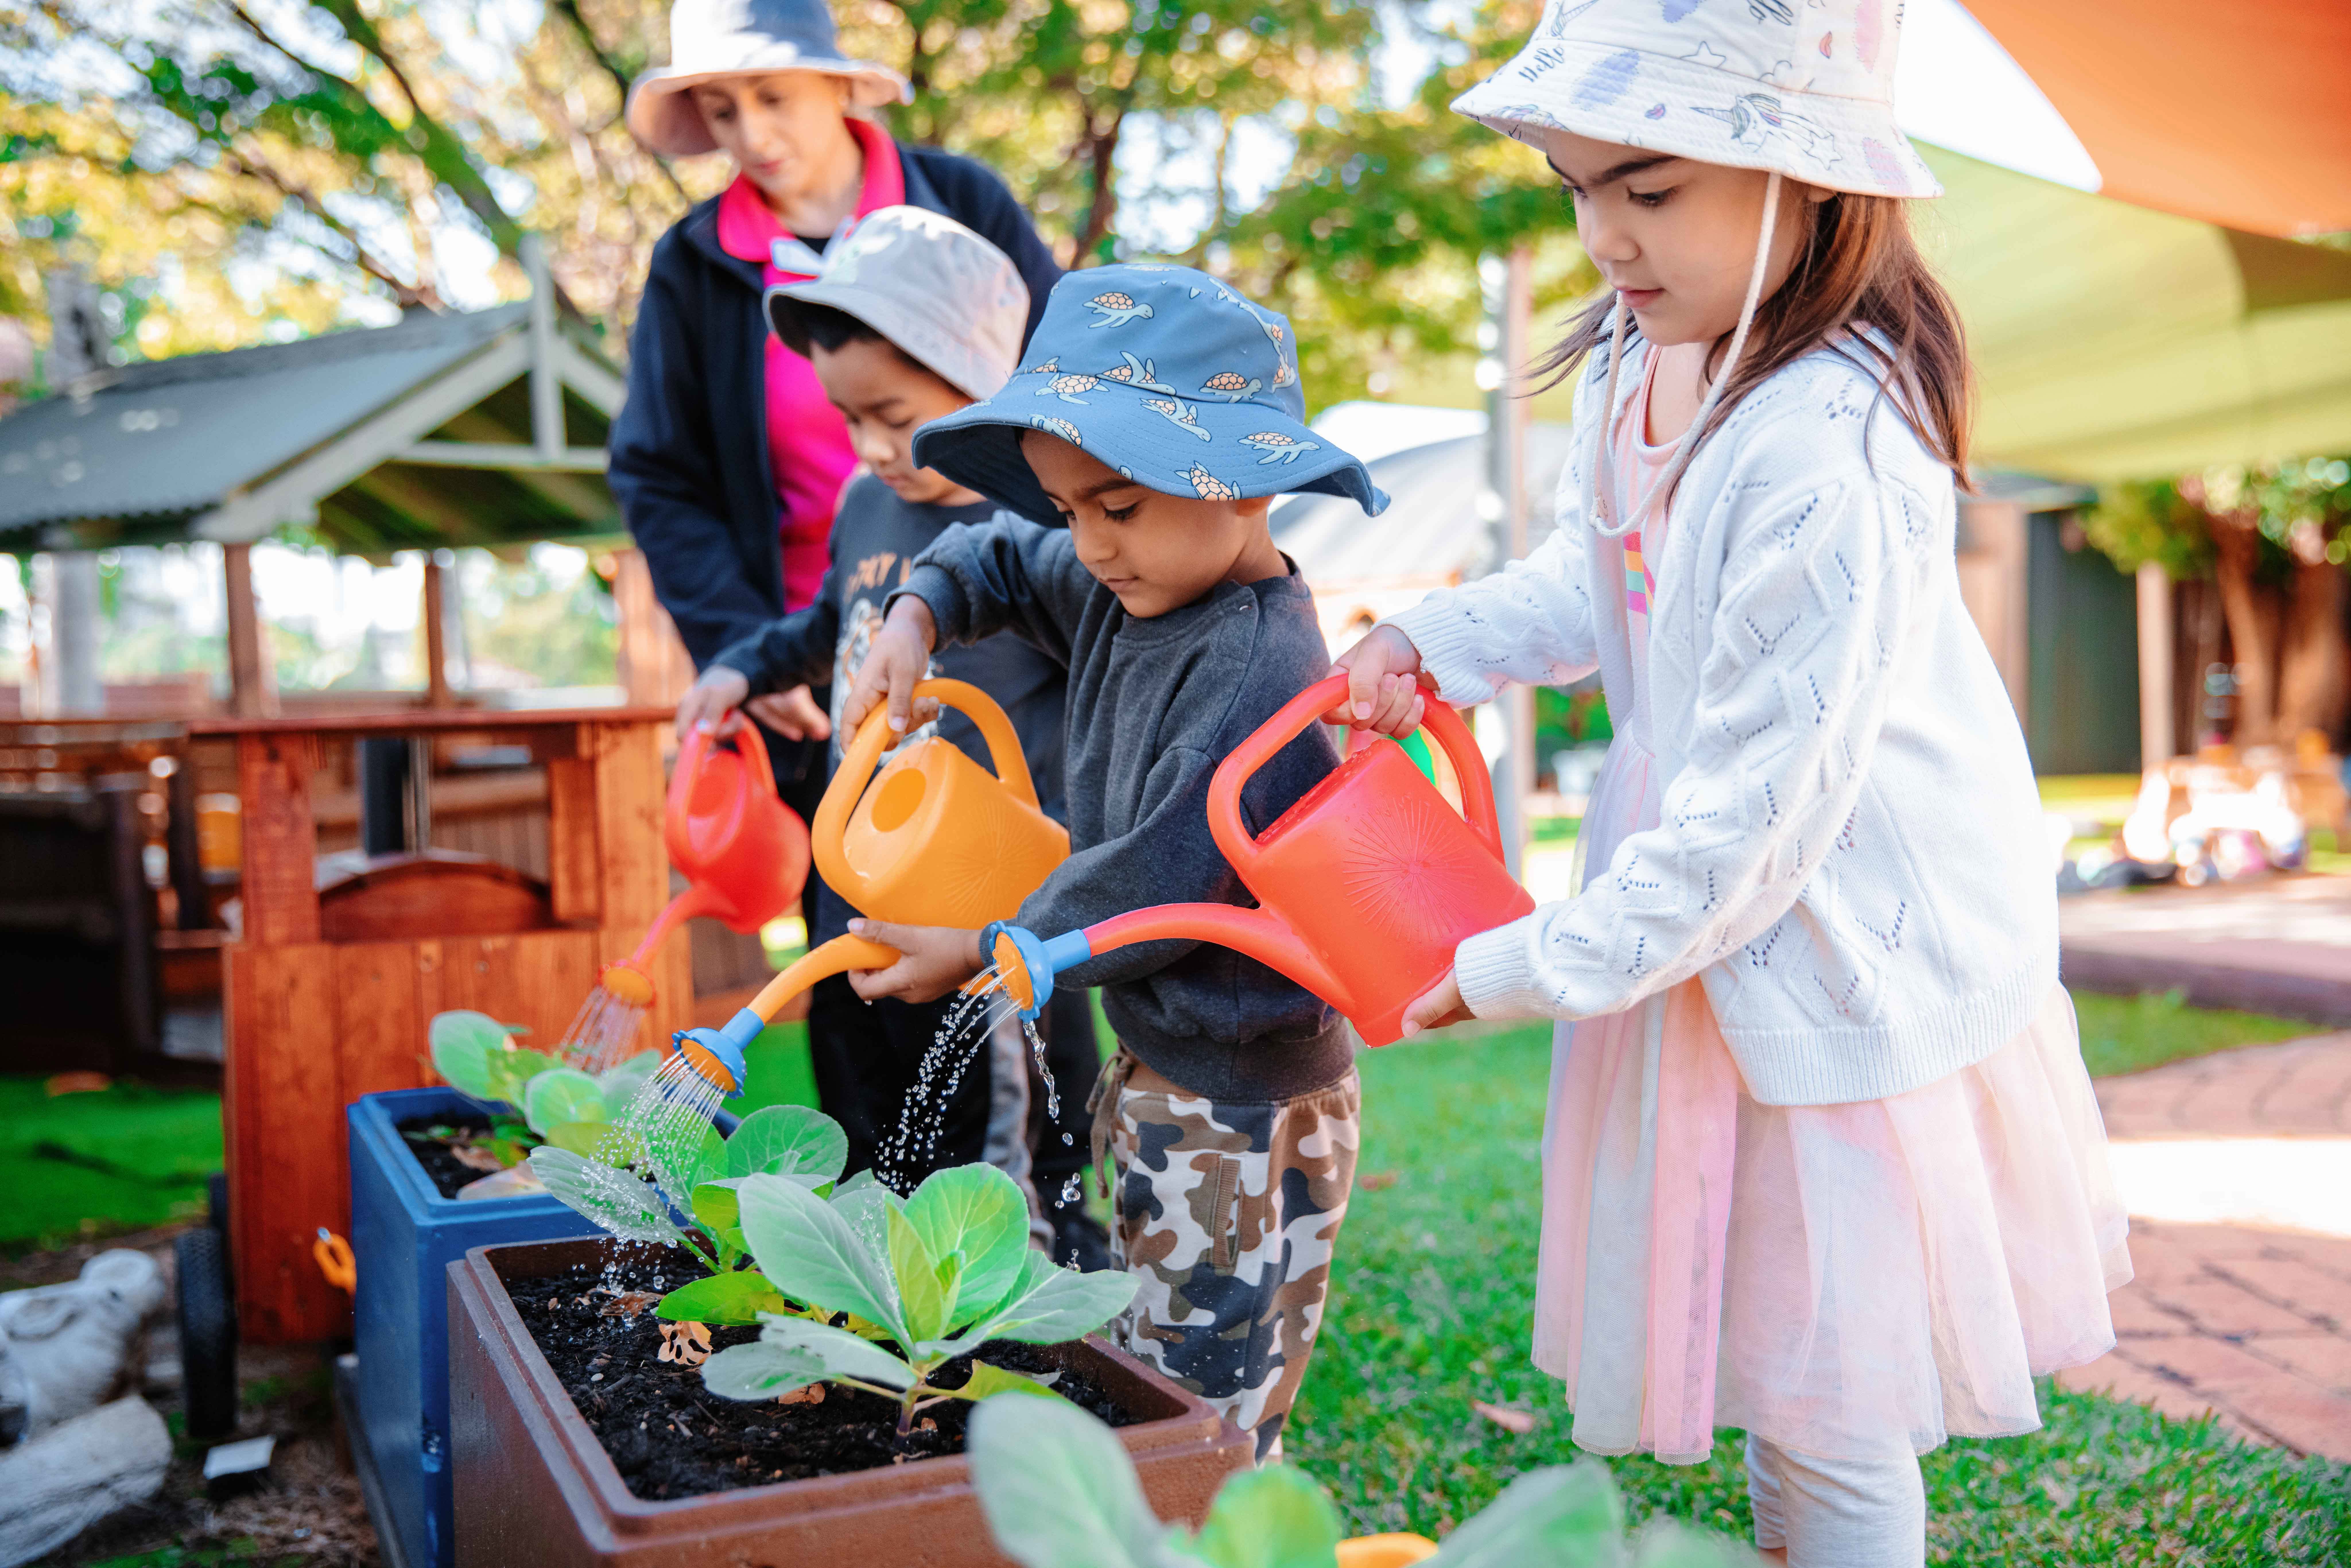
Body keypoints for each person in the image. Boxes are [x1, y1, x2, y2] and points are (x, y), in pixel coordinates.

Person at [1333, 2, 2129, 1561]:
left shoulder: (1836, 444)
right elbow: (1597, 584)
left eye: (1649, 188)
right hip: (1695, 913)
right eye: (1578, 188)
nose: (1604, 238)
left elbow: (1761, 823)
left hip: (1831, 934)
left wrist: (1516, 967)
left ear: (1808, 179)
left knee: (1832, 1383)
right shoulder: (1644, 356)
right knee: (1770, 1341)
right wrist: (1436, 634)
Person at [833, 265, 1388, 1460]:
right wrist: (916, 612)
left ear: (1243, 485)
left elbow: (1158, 885)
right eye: (1066, 504)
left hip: (1243, 1103)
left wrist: (981, 951)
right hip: (1164, 1058)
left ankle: (1219, 1529)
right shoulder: (1120, 582)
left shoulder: (1256, 671)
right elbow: (988, 552)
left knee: (1208, 1399)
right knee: (1156, 1327)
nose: (1084, 541)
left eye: (1115, 506)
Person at [672, 207, 1106, 1266]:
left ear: (982, 384)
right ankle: (892, 1328)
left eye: (894, 415)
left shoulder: (1045, 534)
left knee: (998, 1163)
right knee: (872, 1138)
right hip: (854, 893)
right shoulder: (871, 509)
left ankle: (1037, 1341)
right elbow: (828, 628)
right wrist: (738, 667)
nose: (869, 448)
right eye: (849, 420)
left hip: (983, 924)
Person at [610, 0, 1060, 812]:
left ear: (834, 85)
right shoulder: (691, 262)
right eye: (722, 110)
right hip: (824, 634)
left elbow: (1067, 380)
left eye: (772, 97)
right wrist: (744, 649)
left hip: (998, 624)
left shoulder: (963, 200)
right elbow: (659, 472)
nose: (750, 135)